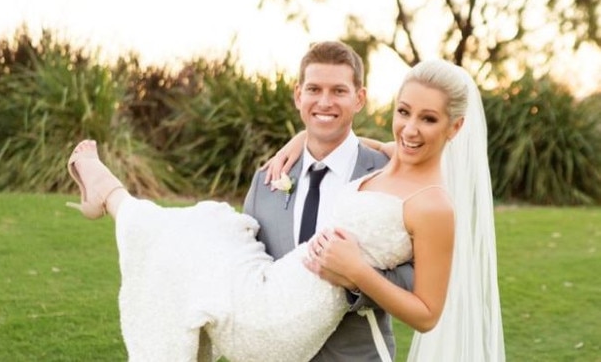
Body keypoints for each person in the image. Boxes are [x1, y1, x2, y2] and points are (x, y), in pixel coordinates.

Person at [66, 59, 505, 361]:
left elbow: (427, 313)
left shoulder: (434, 206)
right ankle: (108, 193)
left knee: (188, 238)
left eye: (428, 120)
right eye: (403, 112)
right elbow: (353, 143)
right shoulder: (393, 157)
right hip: (274, 287)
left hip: (284, 322)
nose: (410, 128)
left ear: (456, 126)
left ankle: (107, 191)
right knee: (202, 229)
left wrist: (357, 272)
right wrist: (300, 142)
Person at [243, 40, 413, 362]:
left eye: (338, 91)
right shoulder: (267, 181)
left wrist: (355, 281)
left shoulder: (388, 175)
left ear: (359, 98)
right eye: (314, 89)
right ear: (298, 95)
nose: (324, 102)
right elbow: (249, 271)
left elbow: (416, 278)